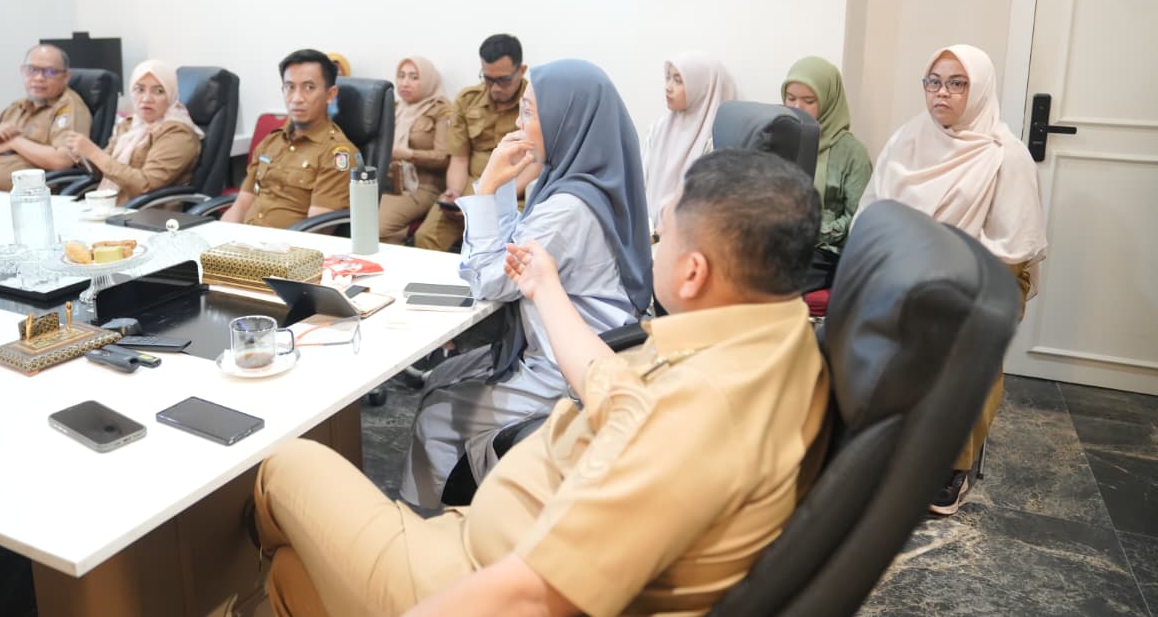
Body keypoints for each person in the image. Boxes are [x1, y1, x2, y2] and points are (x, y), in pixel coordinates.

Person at [251, 148, 829, 616]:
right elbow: (614, 389)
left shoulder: (700, 414)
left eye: (664, 236)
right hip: (501, 534)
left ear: (693, 272)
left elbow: (532, 598)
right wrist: (546, 288)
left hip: (473, 572)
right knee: (291, 575)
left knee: (283, 464)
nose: (654, 246)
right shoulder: (769, 334)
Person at [399, 58, 653, 508]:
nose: (518, 124)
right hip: (593, 351)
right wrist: (500, 190)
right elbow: (512, 248)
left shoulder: (568, 208)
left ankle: (433, 523)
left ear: (565, 120)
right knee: (443, 376)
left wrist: (487, 187)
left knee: (437, 414)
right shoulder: (588, 180)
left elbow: (490, 280)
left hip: (563, 369)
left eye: (530, 112)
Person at [858, 43, 1047, 516]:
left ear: (979, 89)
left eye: (957, 83)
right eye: (934, 81)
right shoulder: (908, 140)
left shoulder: (1005, 156)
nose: (941, 93)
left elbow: (1012, 250)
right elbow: (874, 214)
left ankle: (952, 461)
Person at [413, 34, 534, 252]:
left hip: (514, 193)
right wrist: (455, 193)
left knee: (507, 248)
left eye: (504, 80)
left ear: (522, 70)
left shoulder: (533, 103)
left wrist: (487, 201)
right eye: (488, 79)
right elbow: (459, 159)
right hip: (470, 188)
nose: (495, 88)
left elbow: (536, 162)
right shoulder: (467, 100)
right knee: (426, 237)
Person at [223, 50, 358, 228]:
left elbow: (318, 229)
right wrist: (220, 237)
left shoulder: (337, 154)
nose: (296, 98)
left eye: (309, 87)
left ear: (330, 94)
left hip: (287, 244)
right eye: (290, 87)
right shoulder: (270, 142)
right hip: (243, 239)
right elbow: (241, 204)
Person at [781, 56, 872, 292]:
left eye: (808, 101)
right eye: (790, 98)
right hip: (781, 243)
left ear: (829, 102)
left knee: (774, 282)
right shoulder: (781, 139)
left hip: (823, 253)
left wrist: (815, 230)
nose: (797, 108)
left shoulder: (851, 153)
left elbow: (859, 217)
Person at [61, 60, 203, 205]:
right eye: (140, 89)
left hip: (146, 212)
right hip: (110, 205)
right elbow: (104, 171)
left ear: (171, 95)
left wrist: (93, 153)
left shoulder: (178, 134)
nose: (146, 99)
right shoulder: (129, 124)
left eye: (158, 91)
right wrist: (84, 157)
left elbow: (146, 185)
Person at [0, 44, 91, 190]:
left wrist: (14, 143)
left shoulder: (68, 108)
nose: (39, 78)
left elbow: (62, 160)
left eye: (50, 72)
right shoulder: (16, 108)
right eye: (32, 70)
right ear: (22, 71)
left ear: (66, 77)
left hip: (30, 197)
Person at [641, 51, 736, 227]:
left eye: (678, 81)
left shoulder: (715, 139)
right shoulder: (659, 129)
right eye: (668, 78)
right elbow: (641, 183)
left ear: (703, 88)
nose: (668, 87)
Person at [378, 56, 451, 243]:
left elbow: (443, 157)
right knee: (357, 221)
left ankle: (408, 233)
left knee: (377, 229)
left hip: (423, 187)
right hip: (389, 182)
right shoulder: (394, 108)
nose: (405, 83)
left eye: (413, 77)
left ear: (428, 80)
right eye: (401, 76)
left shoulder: (441, 110)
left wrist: (409, 155)